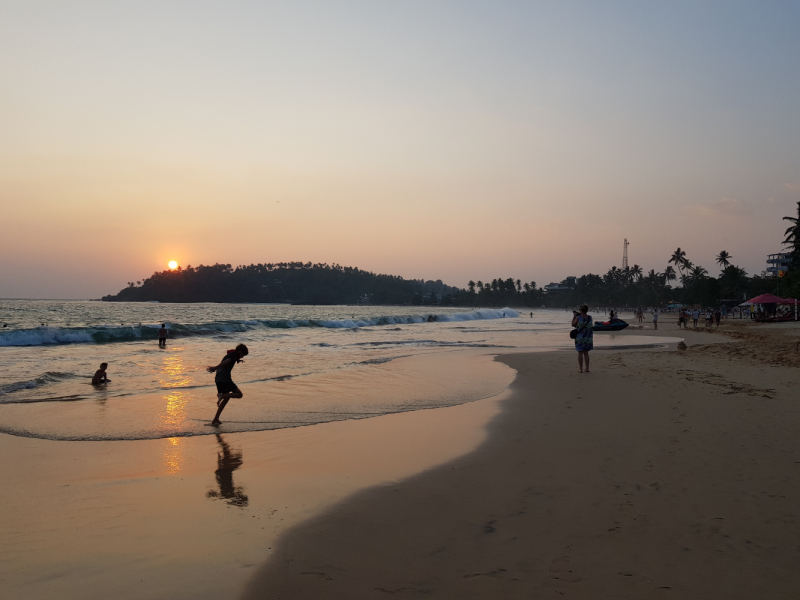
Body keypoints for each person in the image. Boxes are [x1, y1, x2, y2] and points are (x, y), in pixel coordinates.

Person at [207, 343, 249, 426]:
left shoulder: (232, 355)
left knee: (227, 398)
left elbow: (229, 360)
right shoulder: (234, 354)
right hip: (224, 378)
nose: (242, 357)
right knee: (239, 394)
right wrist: (215, 367)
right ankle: (221, 396)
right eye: (242, 355)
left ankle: (215, 419)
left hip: (219, 378)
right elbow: (226, 362)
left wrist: (238, 360)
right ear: (239, 351)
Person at [571, 305, 593, 373]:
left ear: (581, 310)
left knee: (580, 353)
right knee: (586, 353)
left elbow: (573, 324)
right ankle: (587, 368)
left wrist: (574, 316)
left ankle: (580, 369)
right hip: (588, 338)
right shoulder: (590, 318)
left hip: (580, 338)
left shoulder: (578, 317)